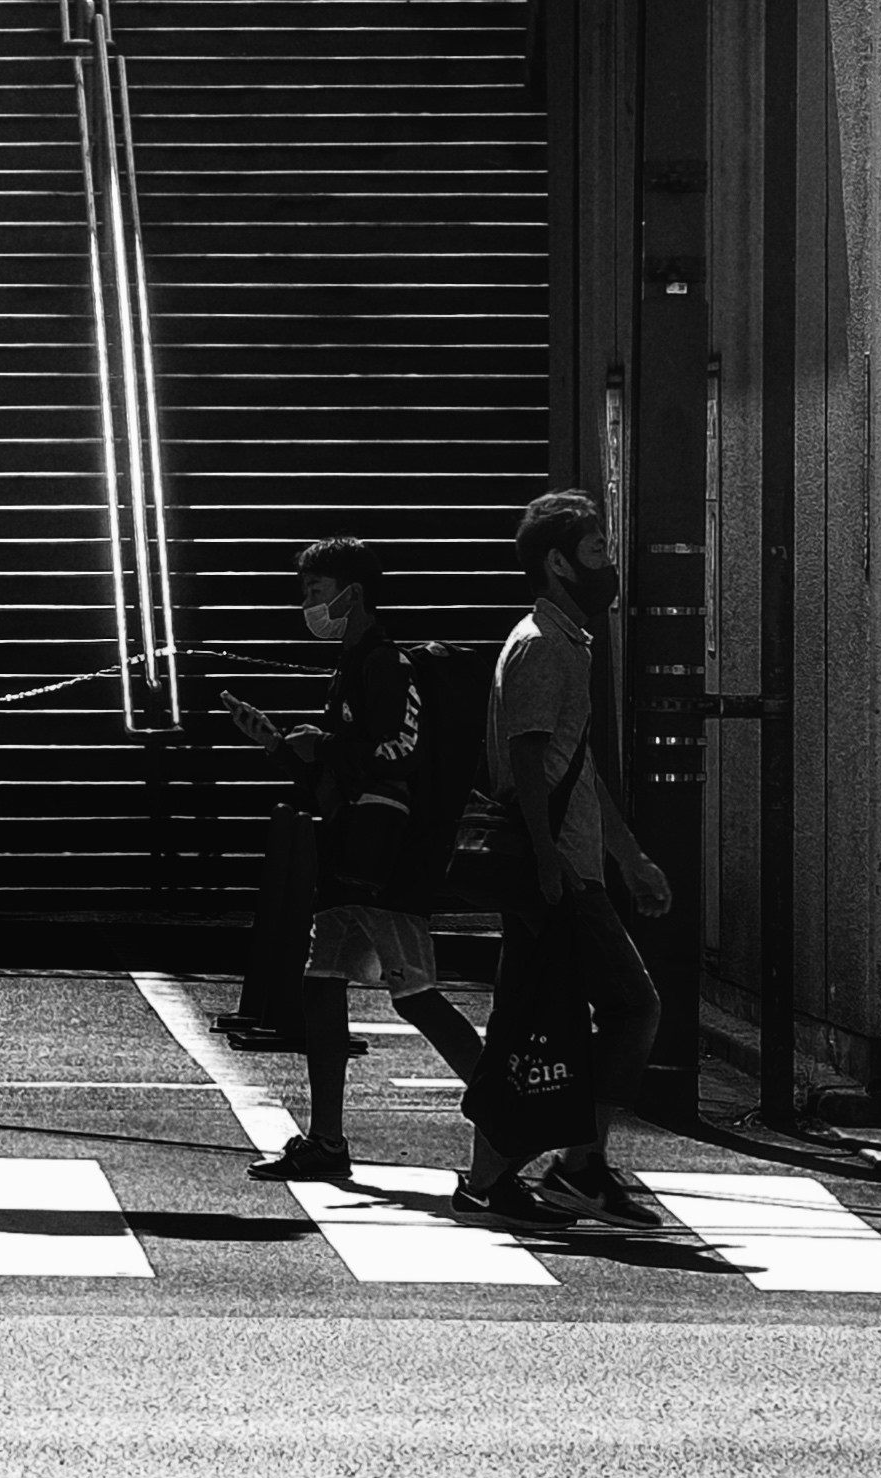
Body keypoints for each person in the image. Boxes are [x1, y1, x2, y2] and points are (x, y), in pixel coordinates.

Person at [215, 535, 493, 1185]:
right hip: (351, 856)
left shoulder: (388, 664)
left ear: (353, 594)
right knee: (320, 984)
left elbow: (400, 749)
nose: (306, 604)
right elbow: (332, 771)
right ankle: (328, 1139)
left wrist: (326, 744)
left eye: (315, 591)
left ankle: (506, 1114)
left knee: (417, 995)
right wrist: (279, 747)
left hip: (387, 862)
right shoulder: (349, 668)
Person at [470, 486, 673, 1217]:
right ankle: (578, 1165)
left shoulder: (562, 642)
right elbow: (525, 758)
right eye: (595, 552)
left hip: (568, 866)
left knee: (527, 1017)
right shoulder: (542, 645)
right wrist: (552, 863)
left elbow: (575, 767)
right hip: (554, 872)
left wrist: (628, 856)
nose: (608, 565)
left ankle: (495, 1177)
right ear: (557, 562)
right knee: (633, 1004)